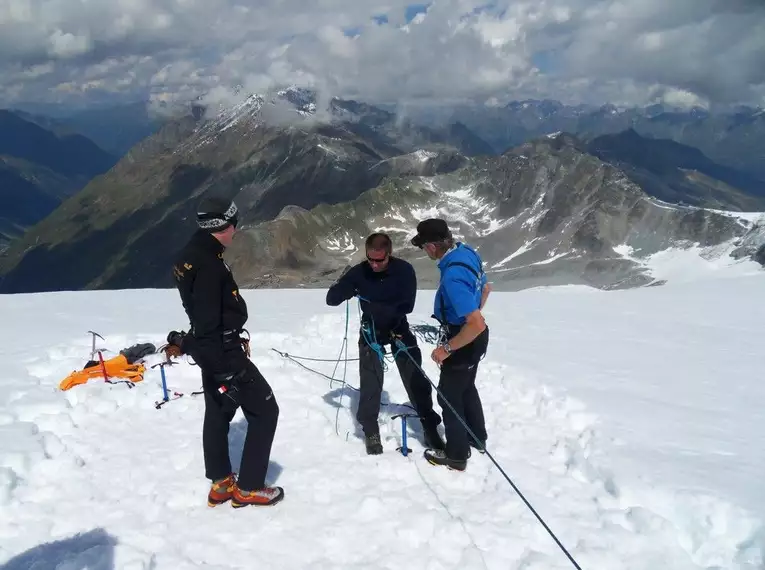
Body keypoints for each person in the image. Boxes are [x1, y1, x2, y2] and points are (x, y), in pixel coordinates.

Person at [172, 195, 284, 507]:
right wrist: (225, 363)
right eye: (234, 225)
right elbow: (209, 319)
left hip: (209, 351)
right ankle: (248, 487)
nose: (236, 231)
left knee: (219, 412)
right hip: (224, 353)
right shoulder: (210, 265)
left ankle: (221, 482)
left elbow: (201, 315)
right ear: (221, 226)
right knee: (265, 410)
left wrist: (195, 347)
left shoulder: (190, 255)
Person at [326, 232, 446, 455]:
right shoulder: (360, 272)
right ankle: (370, 429)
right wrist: (345, 284)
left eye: (379, 260)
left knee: (415, 379)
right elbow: (331, 299)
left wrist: (373, 303)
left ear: (389, 254)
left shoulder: (404, 271)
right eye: (370, 259)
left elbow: (407, 305)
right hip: (371, 333)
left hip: (398, 329)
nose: (374, 264)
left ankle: (429, 426)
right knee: (370, 383)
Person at [409, 218, 491, 471]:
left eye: (424, 247)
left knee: (449, 395)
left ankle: (456, 455)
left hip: (464, 338)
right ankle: (477, 437)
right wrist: (470, 315)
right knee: (465, 387)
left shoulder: (453, 276)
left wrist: (446, 348)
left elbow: (475, 323)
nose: (425, 252)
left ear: (432, 247)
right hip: (474, 339)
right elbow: (486, 288)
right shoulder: (467, 252)